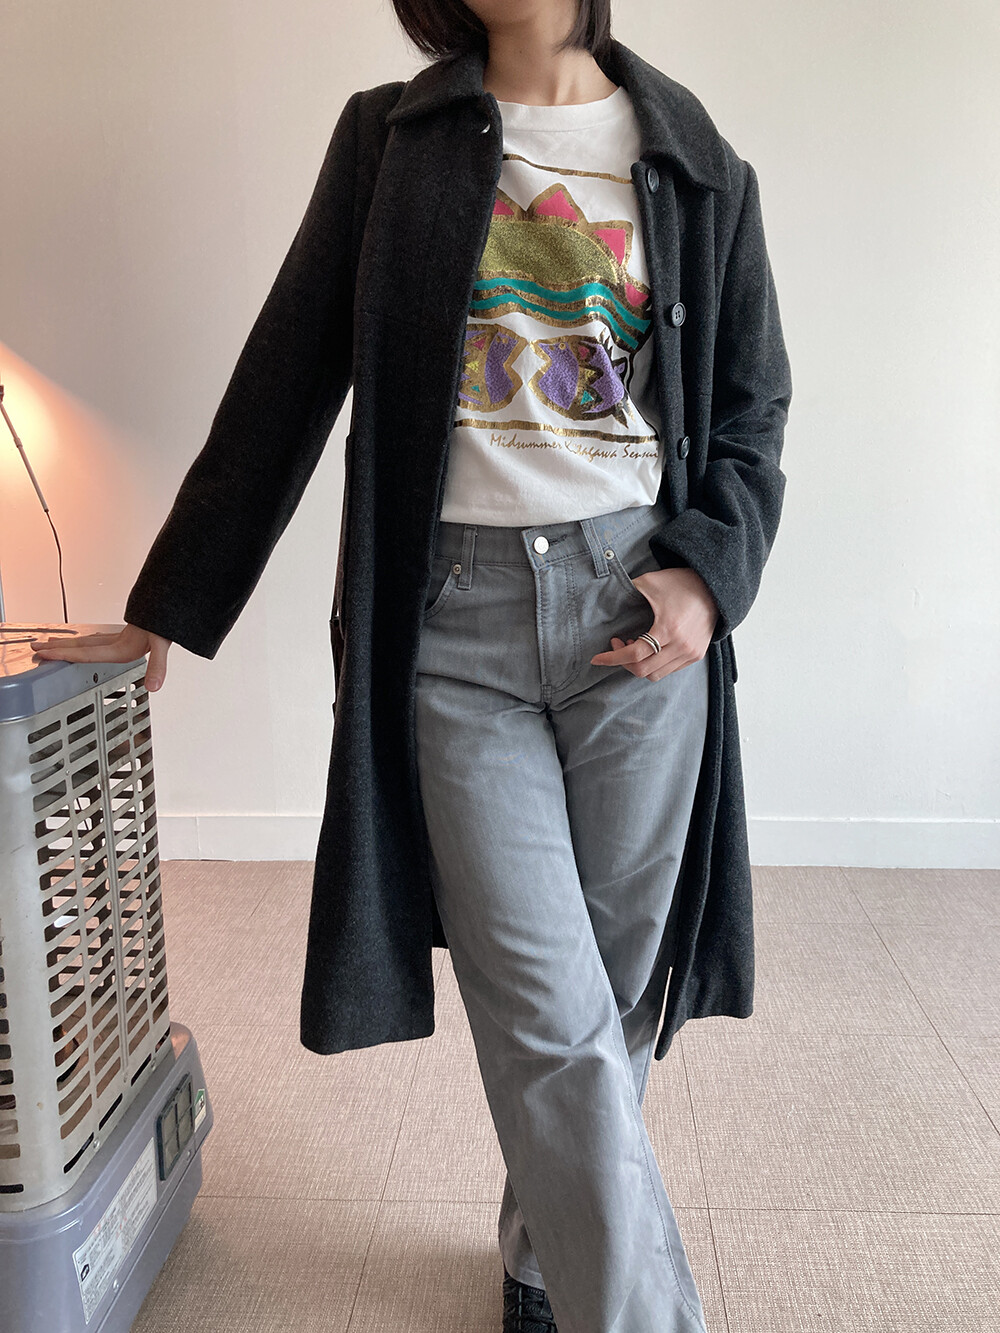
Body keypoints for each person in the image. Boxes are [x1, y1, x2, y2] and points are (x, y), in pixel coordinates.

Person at [31, 2, 791, 1330]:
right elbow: (286, 373)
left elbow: (750, 410)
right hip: (453, 625)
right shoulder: (391, 140)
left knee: (615, 992)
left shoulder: (694, 156)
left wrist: (708, 579)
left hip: (637, 620)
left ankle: (546, 1254)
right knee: (544, 1004)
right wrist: (169, 603)